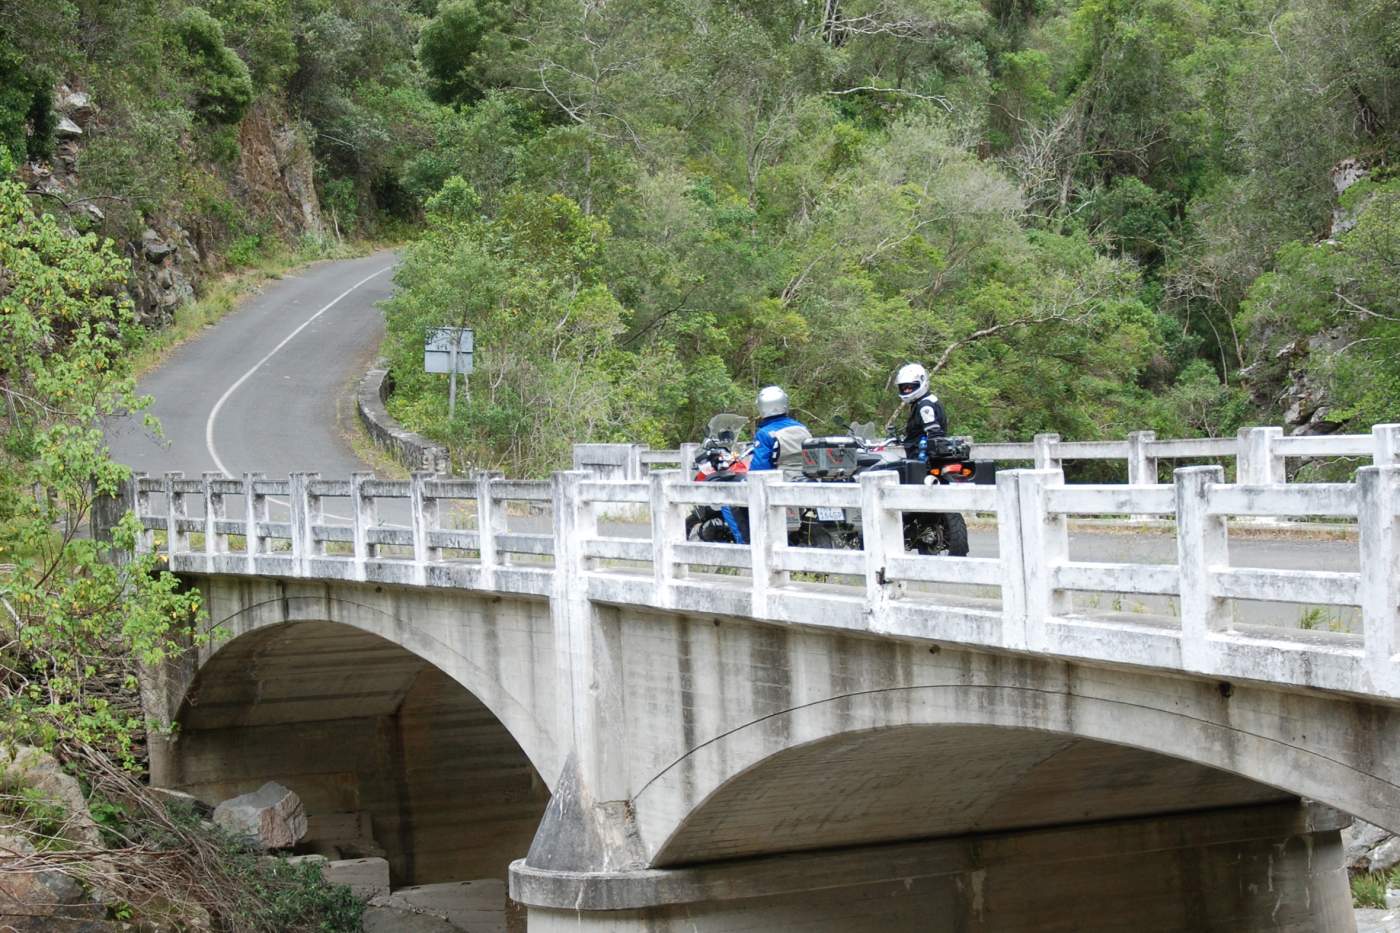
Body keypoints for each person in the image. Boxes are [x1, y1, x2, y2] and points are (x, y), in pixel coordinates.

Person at [749, 386, 811, 480]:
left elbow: (759, 468)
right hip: (808, 478)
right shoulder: (802, 427)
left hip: (781, 483)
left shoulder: (764, 434)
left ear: (762, 407)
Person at [894, 362, 948, 459]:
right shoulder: (928, 400)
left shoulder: (925, 406)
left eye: (910, 387)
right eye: (903, 387)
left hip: (921, 458)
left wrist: (928, 455)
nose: (906, 390)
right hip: (921, 456)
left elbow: (934, 432)